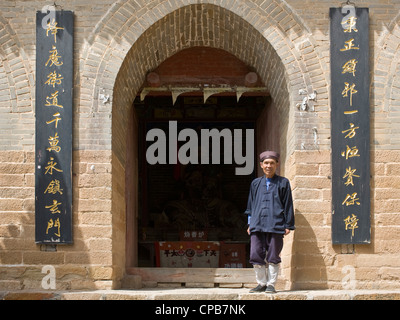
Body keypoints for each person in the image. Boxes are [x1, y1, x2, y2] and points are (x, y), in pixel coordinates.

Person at [245, 151, 295, 293]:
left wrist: (288, 225)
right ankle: (261, 283)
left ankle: (271, 284)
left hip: (276, 224)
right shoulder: (255, 183)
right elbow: (251, 204)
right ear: (261, 165)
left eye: (272, 163)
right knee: (255, 253)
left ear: (277, 164)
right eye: (266, 163)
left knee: (273, 255)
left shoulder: (283, 182)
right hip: (257, 224)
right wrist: (250, 223)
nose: (269, 166)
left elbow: (288, 205)